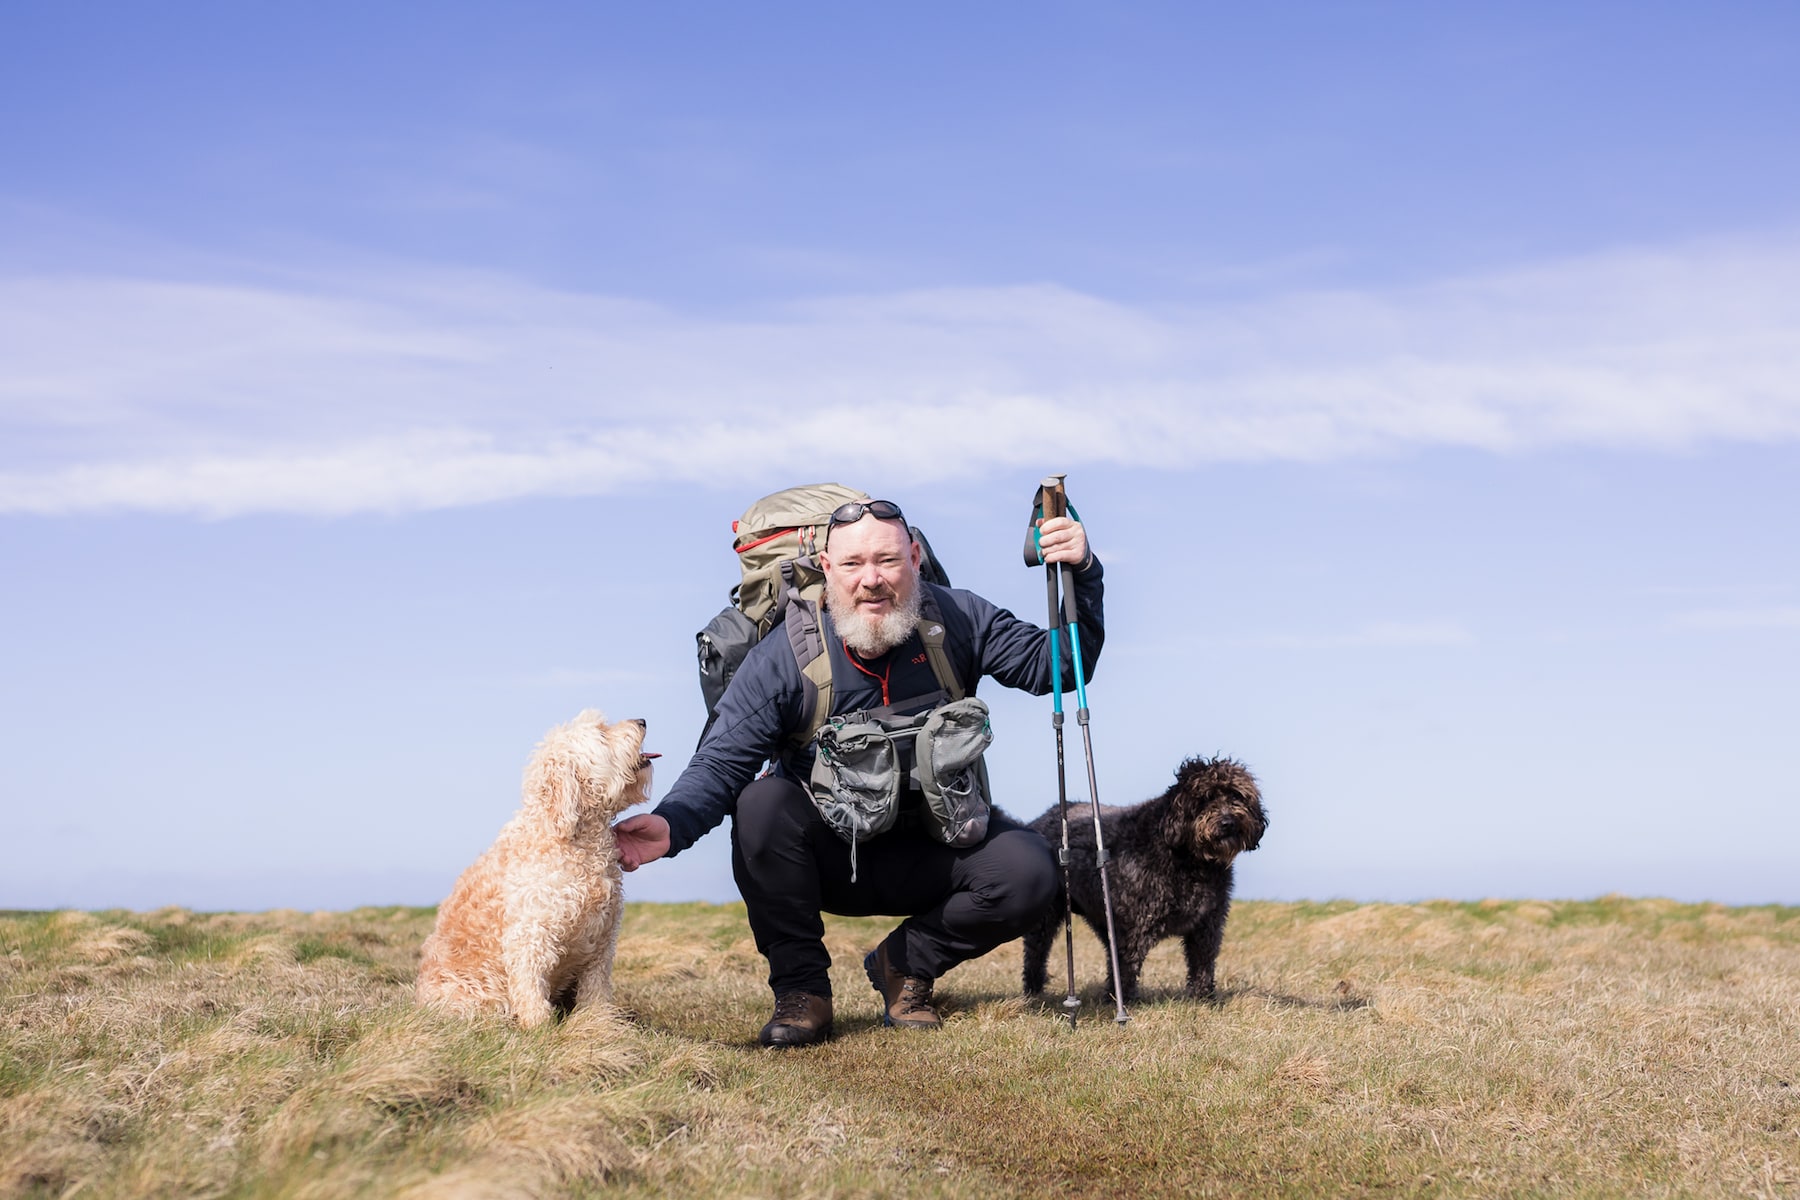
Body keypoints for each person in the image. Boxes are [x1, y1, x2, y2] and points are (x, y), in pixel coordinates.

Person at [613, 497, 1103, 1046]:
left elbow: (1058, 666)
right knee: (760, 805)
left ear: (914, 557)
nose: (871, 580)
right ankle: (803, 993)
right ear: (827, 569)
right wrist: (671, 826)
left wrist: (1082, 573)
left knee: (1030, 869)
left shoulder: (959, 618)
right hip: (829, 858)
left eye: (887, 560)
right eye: (852, 565)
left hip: (934, 850)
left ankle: (907, 964)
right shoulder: (785, 655)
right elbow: (723, 760)